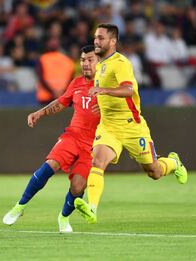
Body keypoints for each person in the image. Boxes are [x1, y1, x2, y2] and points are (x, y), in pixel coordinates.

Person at [73, 24, 188, 225]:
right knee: (97, 162)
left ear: (112, 41)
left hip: (132, 126)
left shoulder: (121, 63)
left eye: (100, 38)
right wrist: (103, 104)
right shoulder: (100, 64)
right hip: (108, 126)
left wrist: (105, 92)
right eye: (95, 38)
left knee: (154, 171)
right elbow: (107, 93)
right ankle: (91, 208)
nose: (96, 42)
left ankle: (174, 163)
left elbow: (128, 90)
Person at [3, 45, 100, 233]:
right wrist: (40, 112)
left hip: (93, 144)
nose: (86, 64)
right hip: (72, 136)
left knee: (78, 187)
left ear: (99, 62)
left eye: (90, 60)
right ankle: (19, 207)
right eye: (83, 60)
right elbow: (62, 102)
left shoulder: (106, 87)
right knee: (50, 166)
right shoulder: (76, 82)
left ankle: (63, 218)